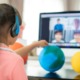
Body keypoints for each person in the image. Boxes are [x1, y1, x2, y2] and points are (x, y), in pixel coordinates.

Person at [0, 4, 48, 80]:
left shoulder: (10, 58)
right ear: (13, 30)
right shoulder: (15, 61)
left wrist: (35, 44)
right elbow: (13, 58)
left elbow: (10, 55)